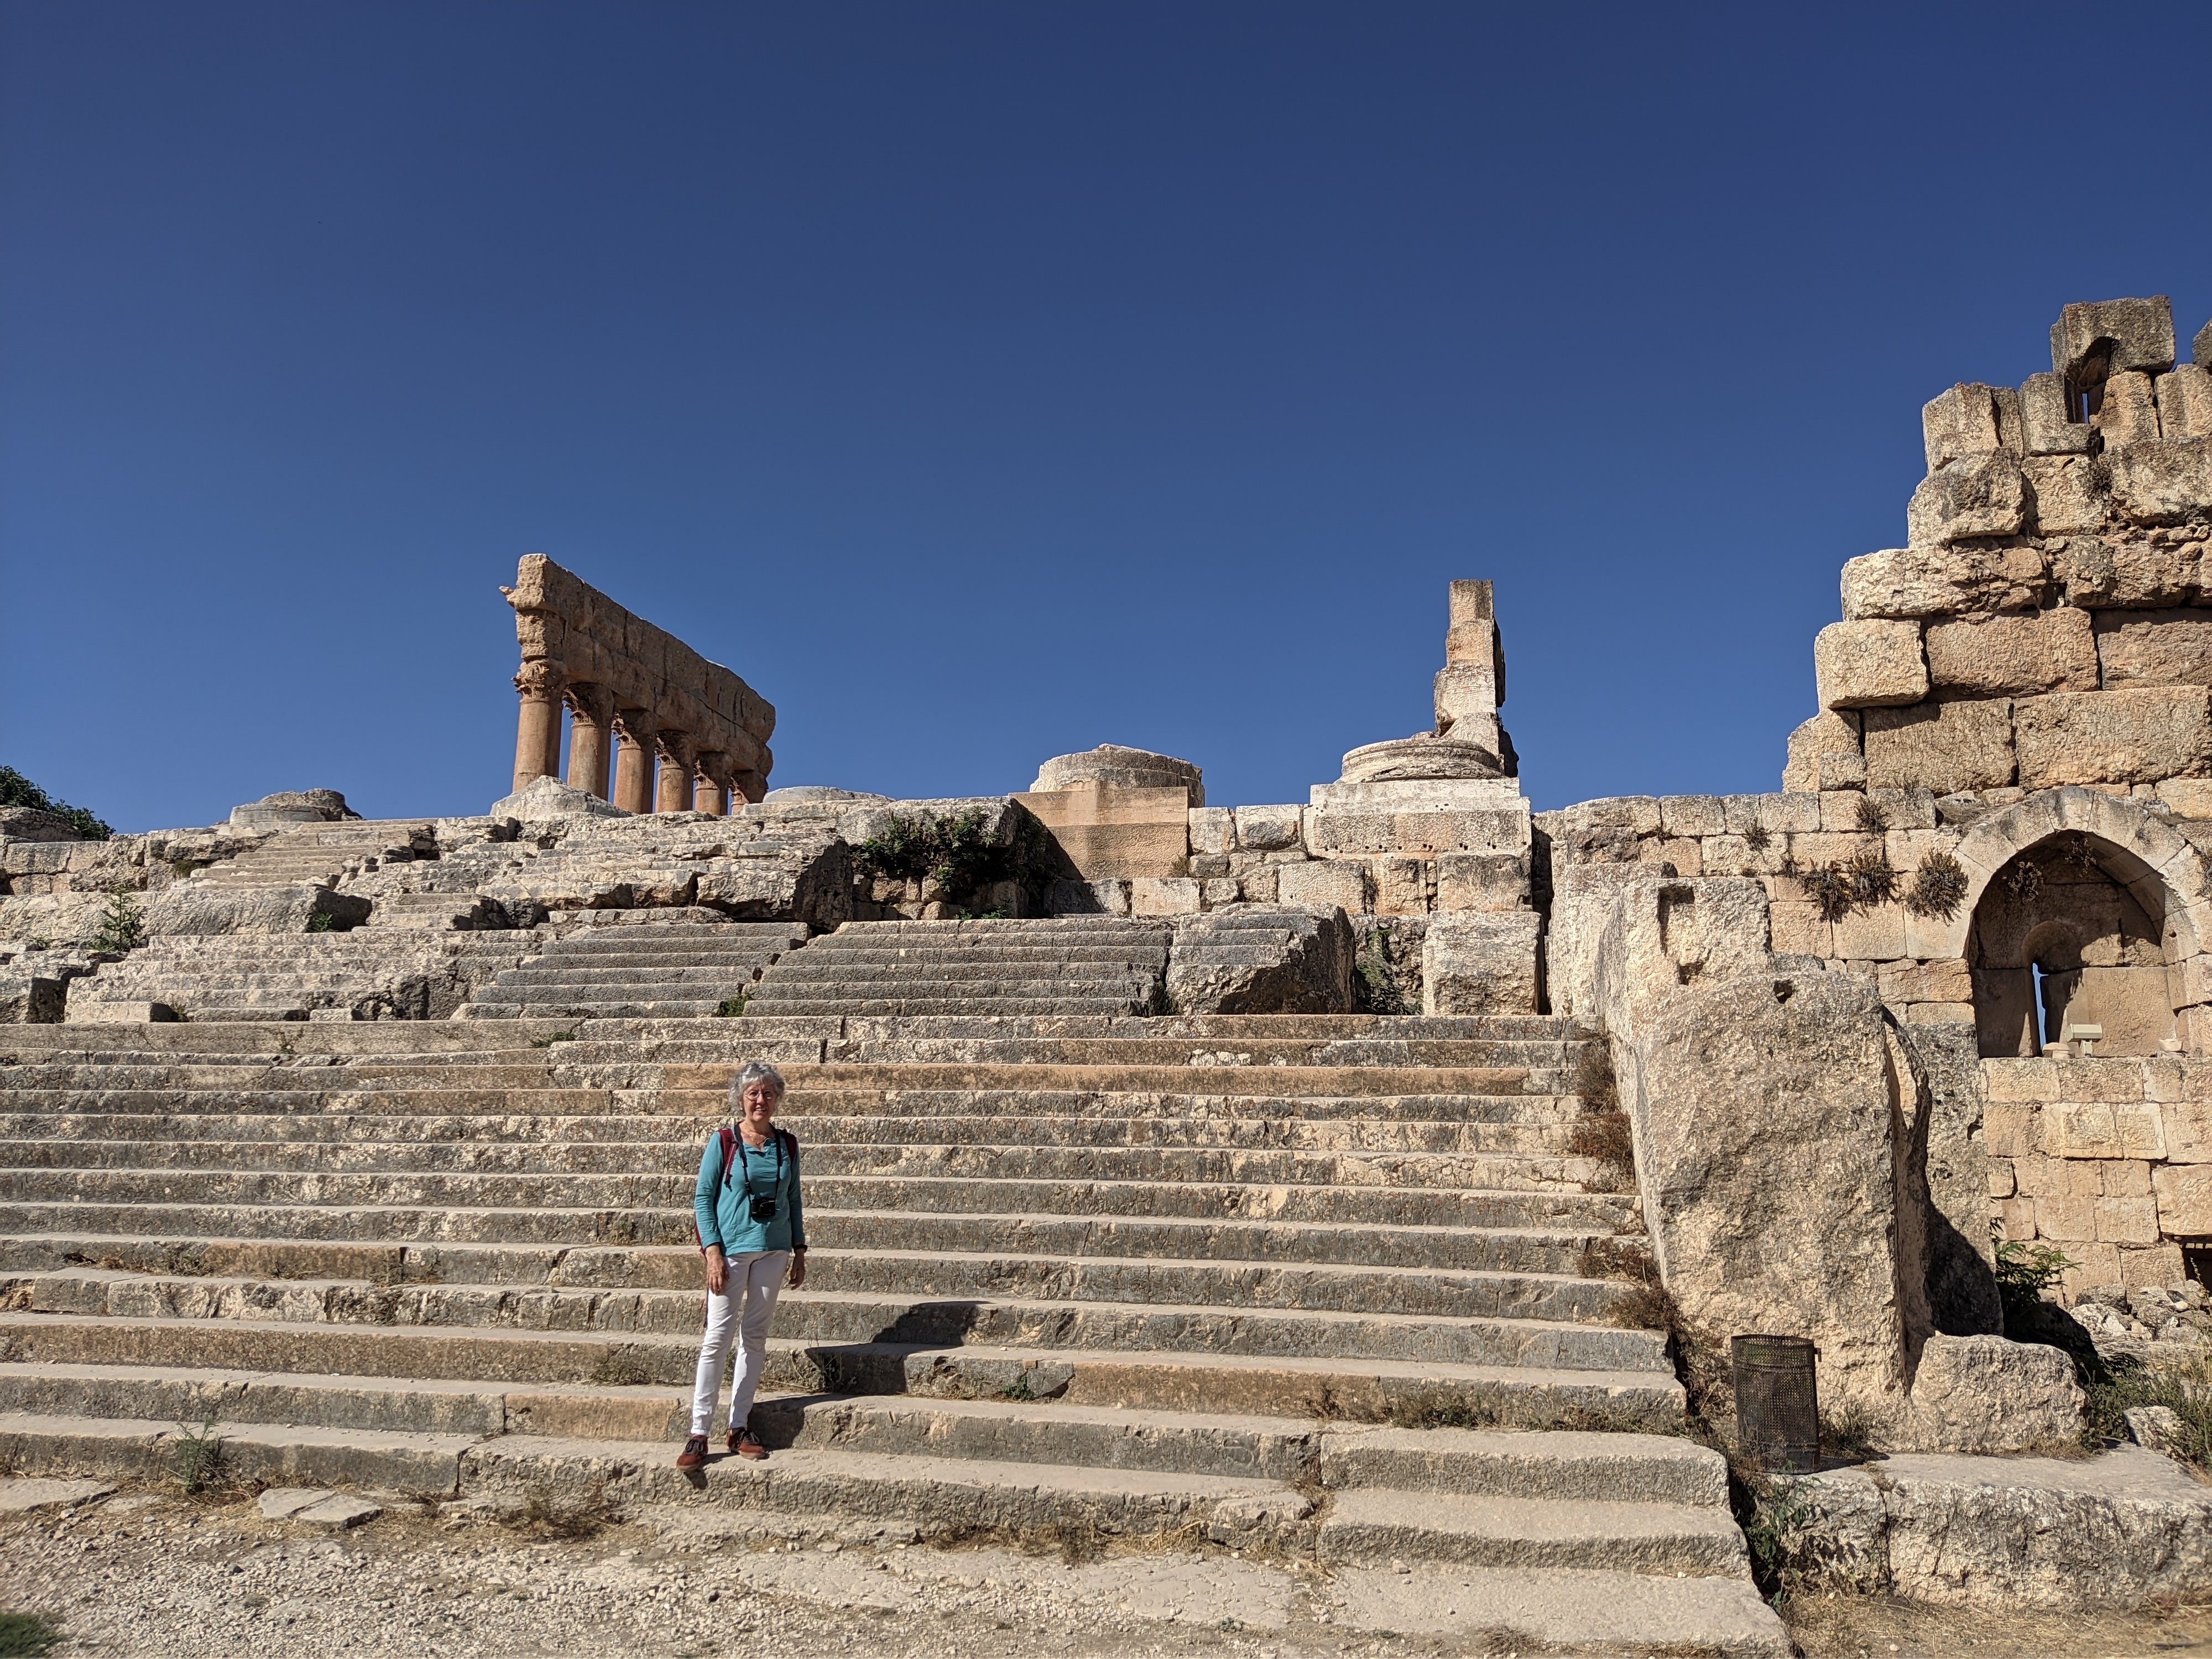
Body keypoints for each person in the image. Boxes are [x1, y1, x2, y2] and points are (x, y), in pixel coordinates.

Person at [679, 1059, 807, 1469]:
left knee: (755, 1337)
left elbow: (793, 1198)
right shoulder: (724, 1141)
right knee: (717, 1337)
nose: (760, 1100)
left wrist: (799, 1249)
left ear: (778, 1099)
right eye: (753, 1093)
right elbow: (703, 1199)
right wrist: (712, 1252)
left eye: (768, 1093)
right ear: (740, 1099)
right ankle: (699, 1431)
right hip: (731, 1250)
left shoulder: (787, 1145)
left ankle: (738, 1425)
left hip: (774, 1249)